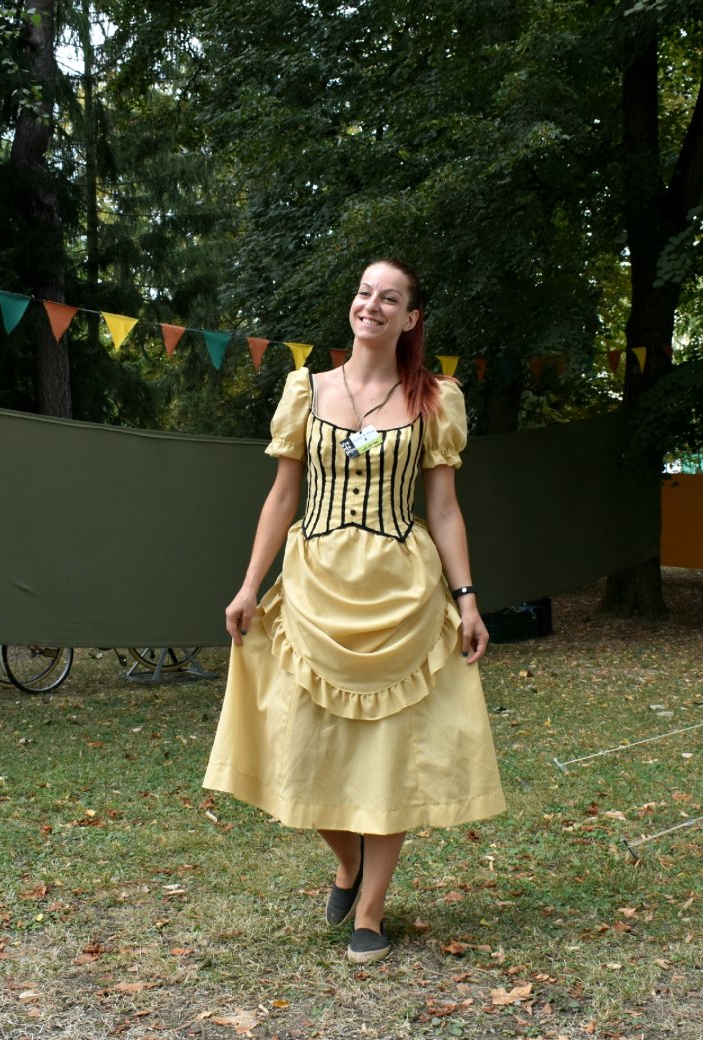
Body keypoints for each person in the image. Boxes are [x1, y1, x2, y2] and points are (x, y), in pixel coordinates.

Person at [203, 259, 505, 964]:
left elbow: (443, 508)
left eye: (389, 298)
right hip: (314, 583)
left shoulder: (435, 398)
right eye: (365, 292)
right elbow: (283, 496)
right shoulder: (306, 390)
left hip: (401, 589)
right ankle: (349, 862)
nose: (372, 304)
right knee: (299, 739)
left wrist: (467, 600)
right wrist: (249, 585)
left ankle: (371, 910)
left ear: (410, 317)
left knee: (391, 750)